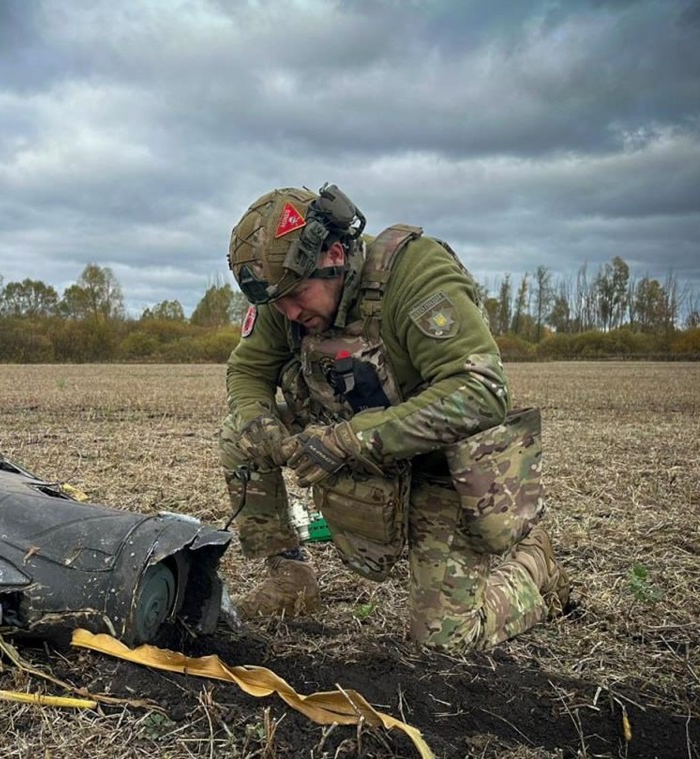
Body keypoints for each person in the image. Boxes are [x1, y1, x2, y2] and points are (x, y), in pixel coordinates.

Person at [219, 184, 570, 653]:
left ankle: (534, 565)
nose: (290, 313)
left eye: (299, 295)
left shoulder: (415, 274)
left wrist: (350, 440)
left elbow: (482, 392)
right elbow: (247, 369)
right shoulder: (285, 296)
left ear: (336, 255)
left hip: (438, 468)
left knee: (444, 642)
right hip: (347, 442)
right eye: (278, 303)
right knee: (240, 436)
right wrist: (257, 419)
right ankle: (291, 578)